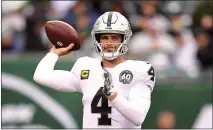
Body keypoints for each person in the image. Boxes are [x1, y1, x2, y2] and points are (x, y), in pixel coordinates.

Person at [33, 11, 156, 129]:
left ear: (125, 39)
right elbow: (41, 76)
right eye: (104, 37)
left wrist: (112, 95)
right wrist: (53, 53)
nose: (109, 43)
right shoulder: (86, 66)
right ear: (97, 39)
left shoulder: (139, 69)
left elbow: (138, 117)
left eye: (115, 38)